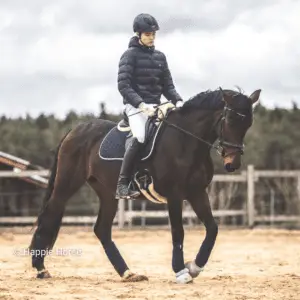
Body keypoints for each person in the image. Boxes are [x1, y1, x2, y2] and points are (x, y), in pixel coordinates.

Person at [115, 13, 184, 199]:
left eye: (153, 34)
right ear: (139, 34)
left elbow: (168, 86)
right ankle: (123, 183)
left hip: (158, 106)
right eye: (147, 34)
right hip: (136, 107)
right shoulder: (129, 56)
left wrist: (178, 101)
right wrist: (141, 104)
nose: (151, 38)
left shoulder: (160, 57)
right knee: (140, 136)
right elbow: (123, 86)